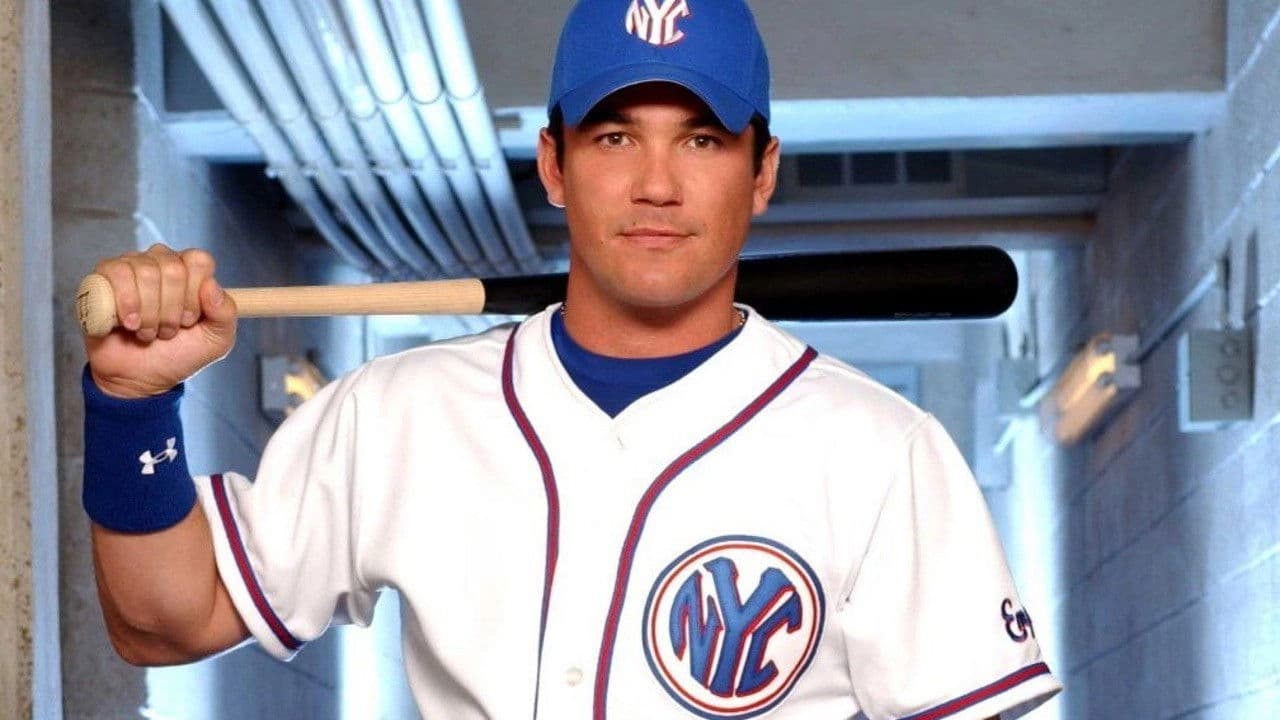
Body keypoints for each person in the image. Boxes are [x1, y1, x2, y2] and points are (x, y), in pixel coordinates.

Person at [82, 1, 1062, 717]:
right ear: (554, 162)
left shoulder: (879, 451)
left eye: (701, 140)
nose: (655, 184)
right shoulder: (396, 412)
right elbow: (163, 622)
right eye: (615, 135)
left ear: (761, 171)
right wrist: (132, 407)